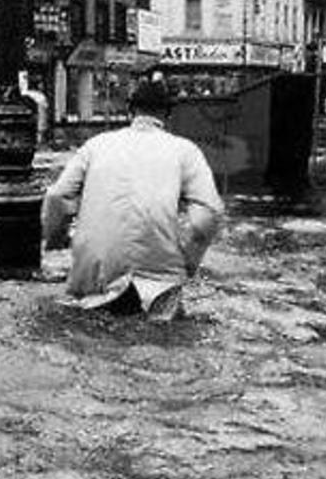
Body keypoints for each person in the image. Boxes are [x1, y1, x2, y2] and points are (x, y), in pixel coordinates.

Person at [41, 77, 224, 318]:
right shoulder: (185, 151)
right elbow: (207, 216)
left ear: (130, 110)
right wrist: (187, 263)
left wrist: (56, 237)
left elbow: (57, 196)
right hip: (158, 282)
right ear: (167, 115)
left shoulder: (96, 145)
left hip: (94, 274)